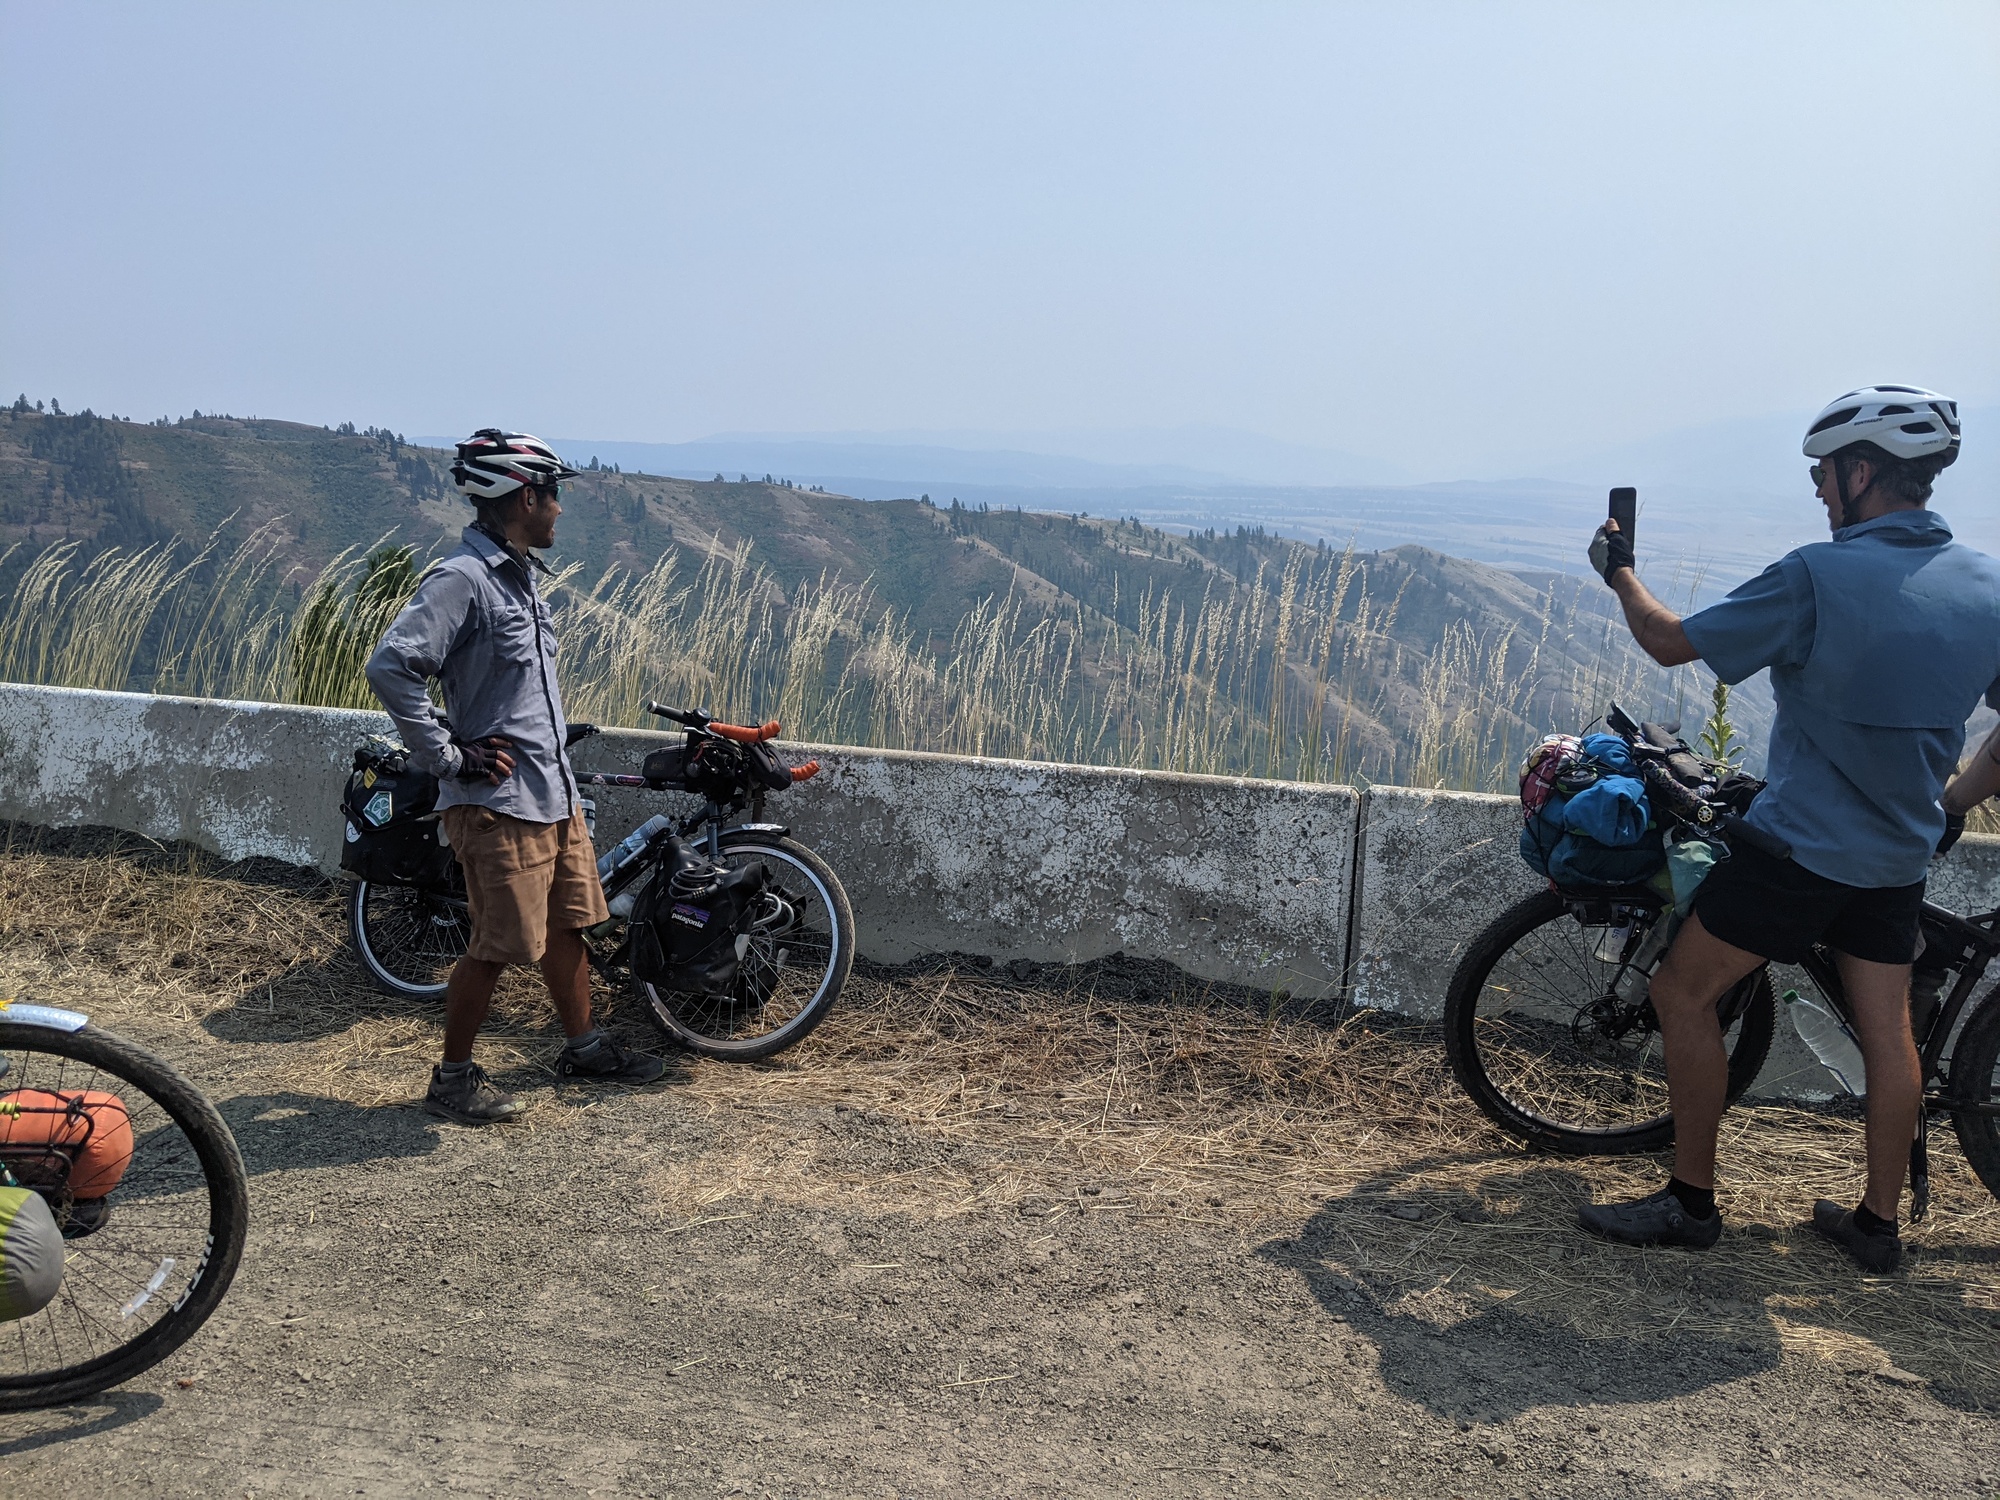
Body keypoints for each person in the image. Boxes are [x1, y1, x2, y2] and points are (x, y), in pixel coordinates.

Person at [1576, 386, 2000, 1271]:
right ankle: (1876, 1227)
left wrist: (1618, 569)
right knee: (1888, 1037)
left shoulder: (1815, 575)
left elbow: (1669, 640)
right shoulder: (1987, 586)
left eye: (1824, 472)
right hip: (1897, 858)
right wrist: (1955, 800)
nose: (1816, 489)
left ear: (1862, 472)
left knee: (1681, 993)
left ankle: (1691, 1203)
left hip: (1799, 850)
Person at [367, 429, 666, 1126]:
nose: (559, 507)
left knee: (567, 927)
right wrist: (449, 755)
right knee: (497, 947)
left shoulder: (520, 577)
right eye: (552, 493)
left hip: (550, 793)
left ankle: (584, 1048)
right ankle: (451, 1079)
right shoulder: (462, 580)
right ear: (524, 497)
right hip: (498, 804)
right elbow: (392, 666)